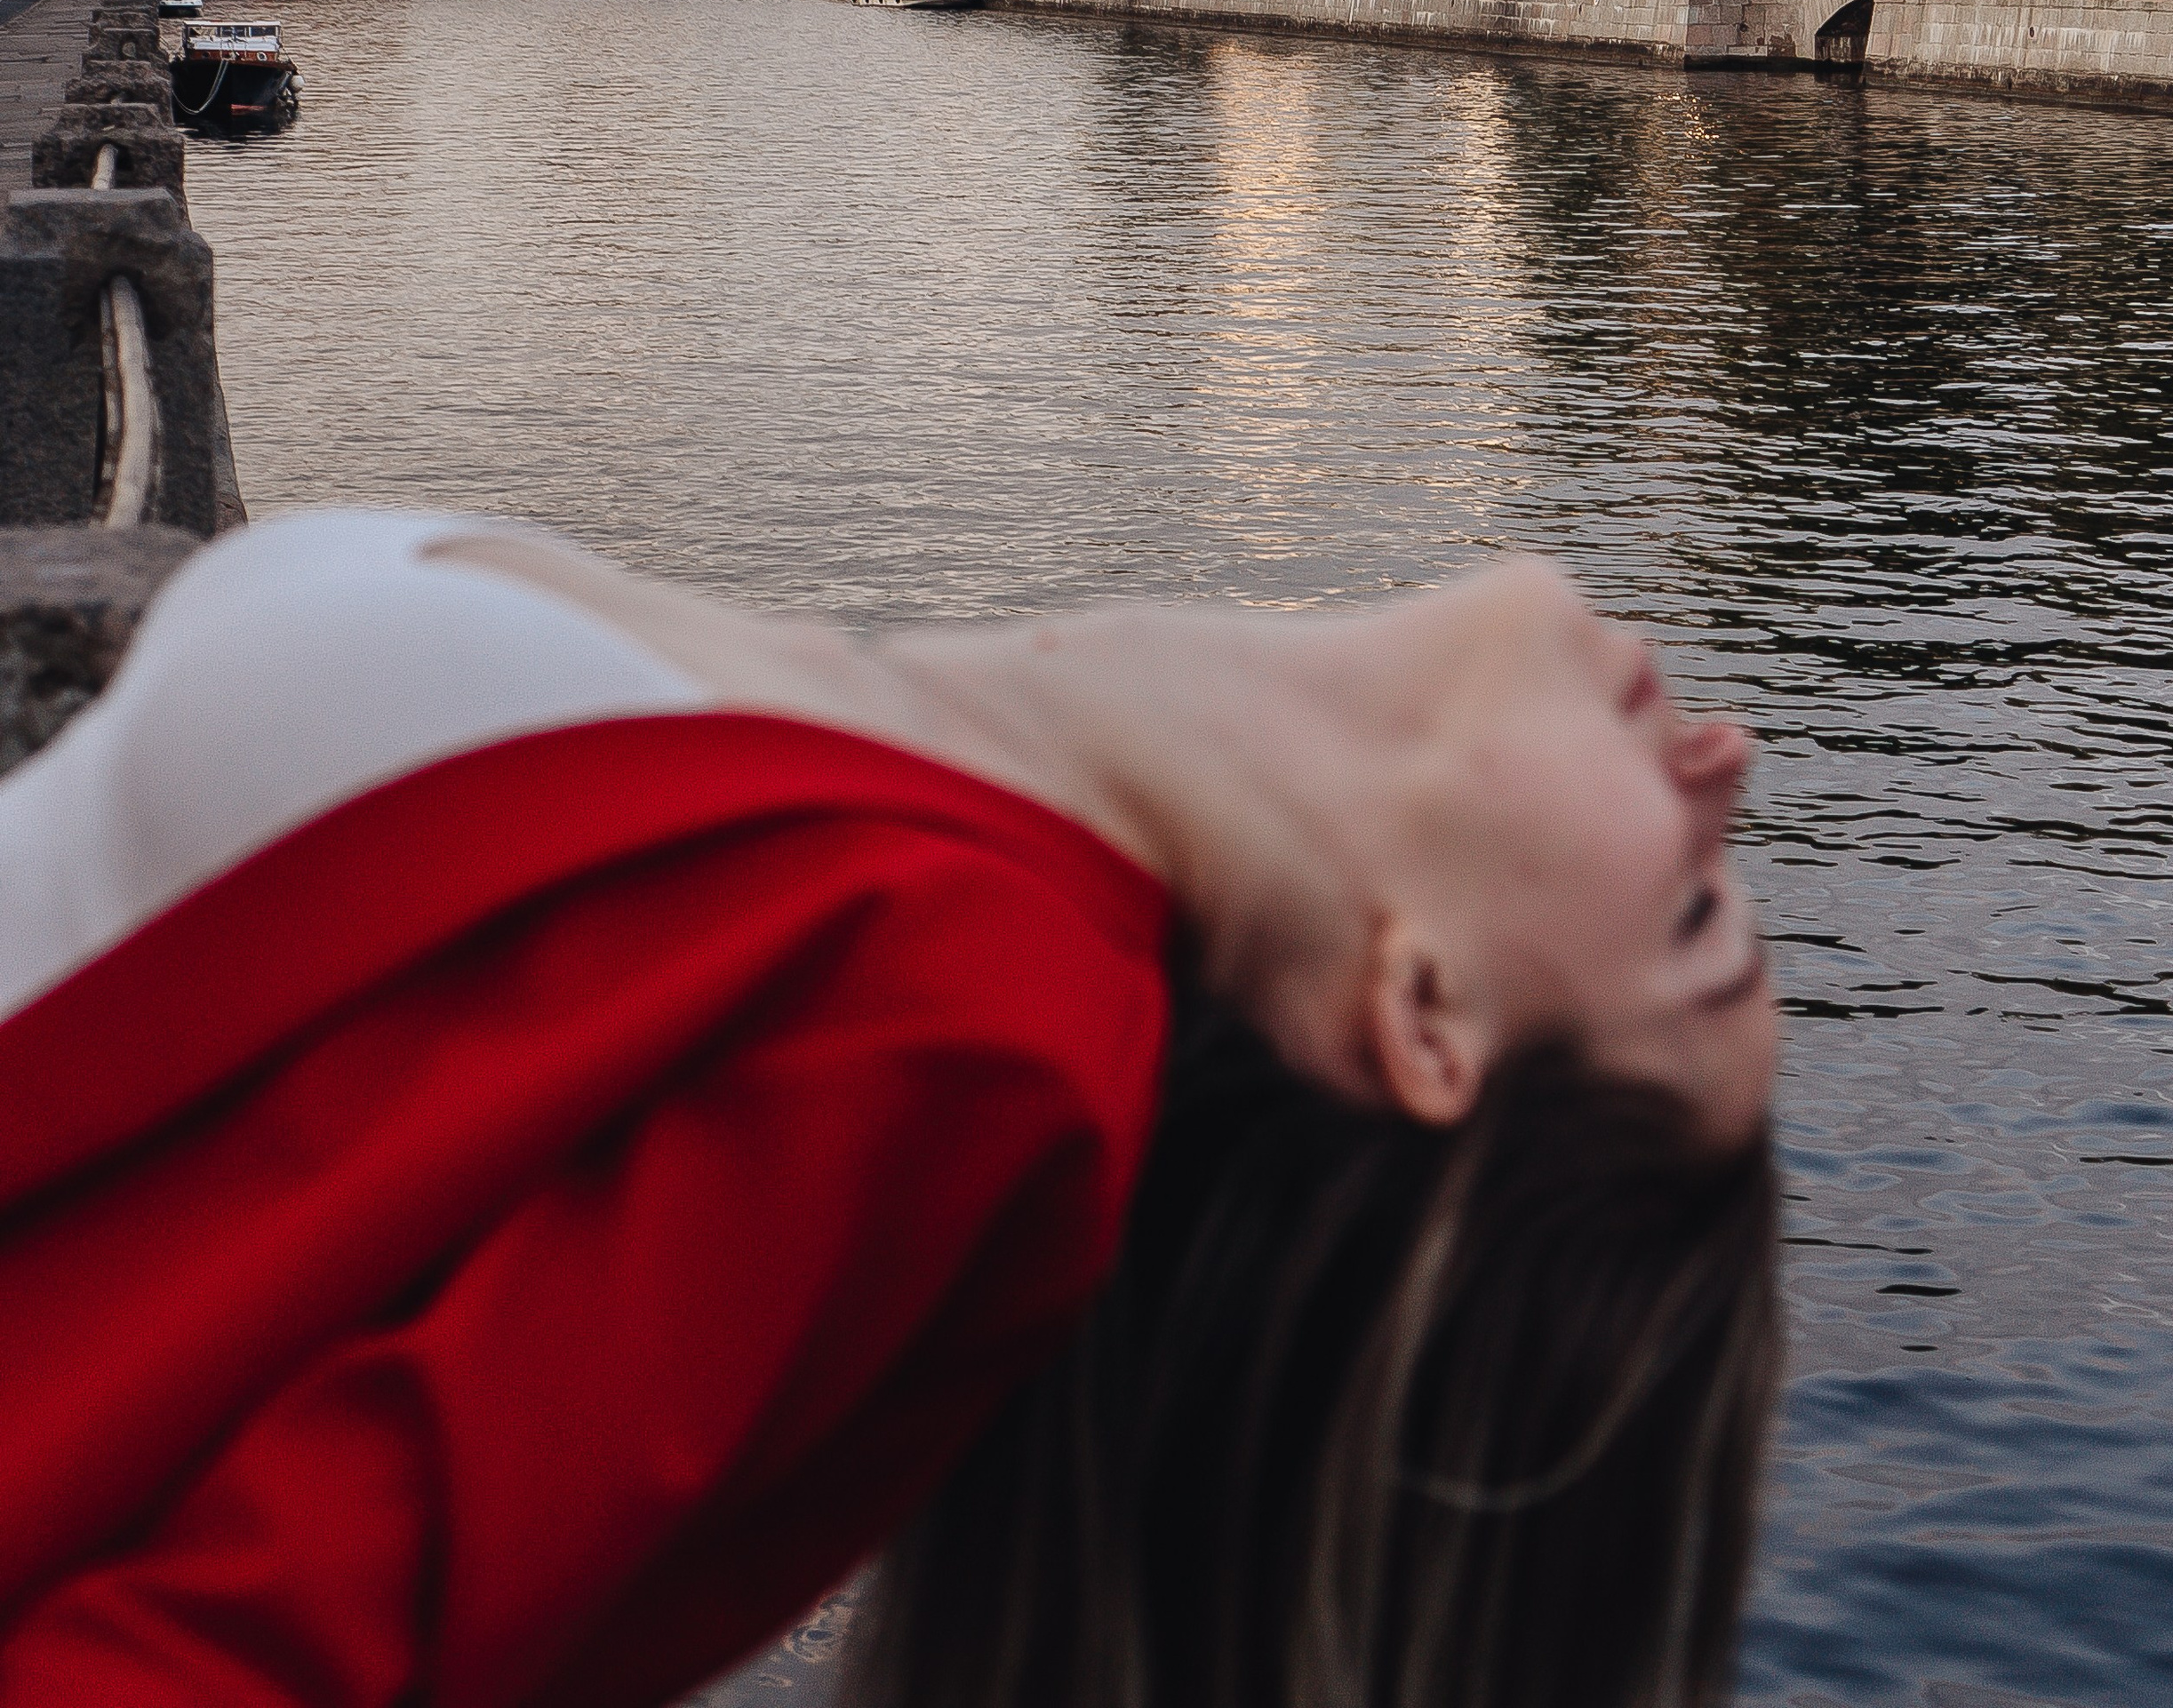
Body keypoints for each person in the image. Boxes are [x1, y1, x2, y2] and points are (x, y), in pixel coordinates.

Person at [0, 511, 1780, 1708]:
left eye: (1691, 920)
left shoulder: (978, 1046)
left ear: (1424, 1014)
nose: (1725, 767)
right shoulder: (952, 815)